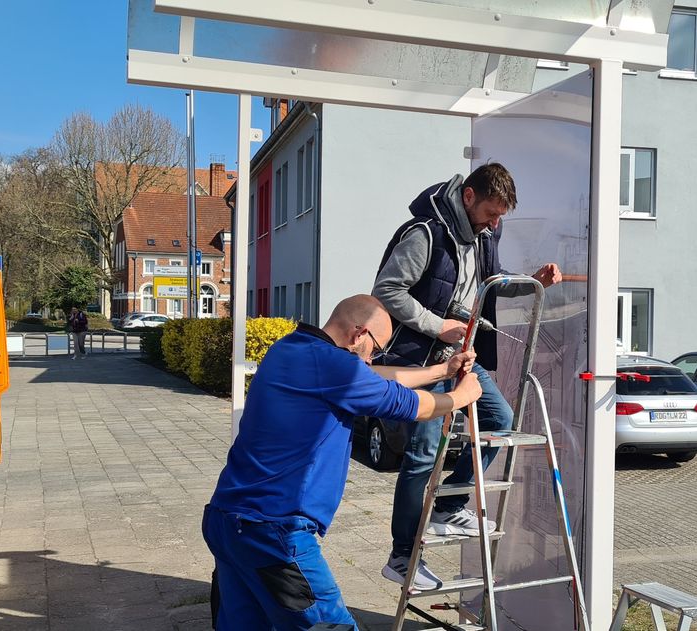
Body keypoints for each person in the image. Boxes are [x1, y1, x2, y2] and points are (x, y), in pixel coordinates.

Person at [203, 295, 482, 631]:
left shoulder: (289, 349)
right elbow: (410, 405)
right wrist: (460, 397)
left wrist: (441, 370)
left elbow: (374, 377)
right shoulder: (335, 366)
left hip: (226, 521)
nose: (373, 356)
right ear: (358, 334)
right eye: (376, 347)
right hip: (275, 533)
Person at [372, 163, 562, 590]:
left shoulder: (484, 234)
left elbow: (486, 288)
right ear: (469, 196)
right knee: (422, 456)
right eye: (491, 214)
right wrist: (438, 326)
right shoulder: (424, 233)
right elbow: (387, 291)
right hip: (422, 358)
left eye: (500, 218)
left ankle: (447, 505)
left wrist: (531, 282)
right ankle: (401, 557)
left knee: (500, 421)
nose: (495, 224)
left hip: (460, 354)